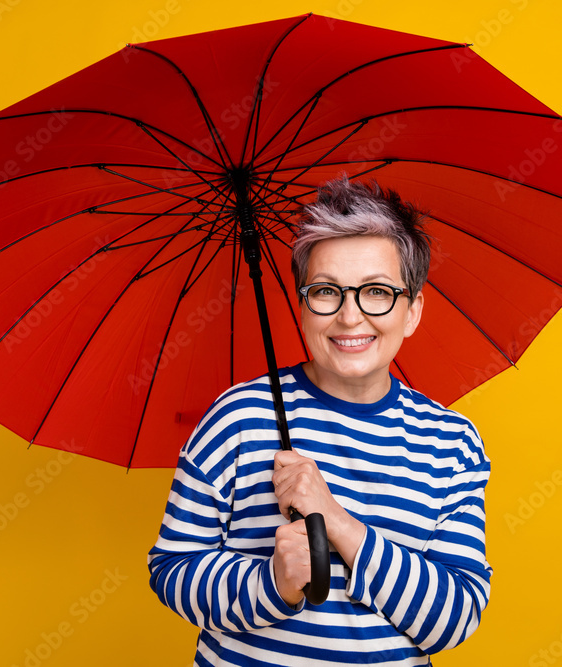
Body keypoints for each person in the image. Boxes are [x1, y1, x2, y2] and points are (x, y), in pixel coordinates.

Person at [148, 177, 492, 666]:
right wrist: (273, 584)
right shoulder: (240, 419)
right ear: (303, 305)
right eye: (327, 291)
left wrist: (335, 521)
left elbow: (453, 619)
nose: (350, 317)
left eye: (377, 292)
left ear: (412, 311)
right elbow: (172, 569)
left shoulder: (451, 443)